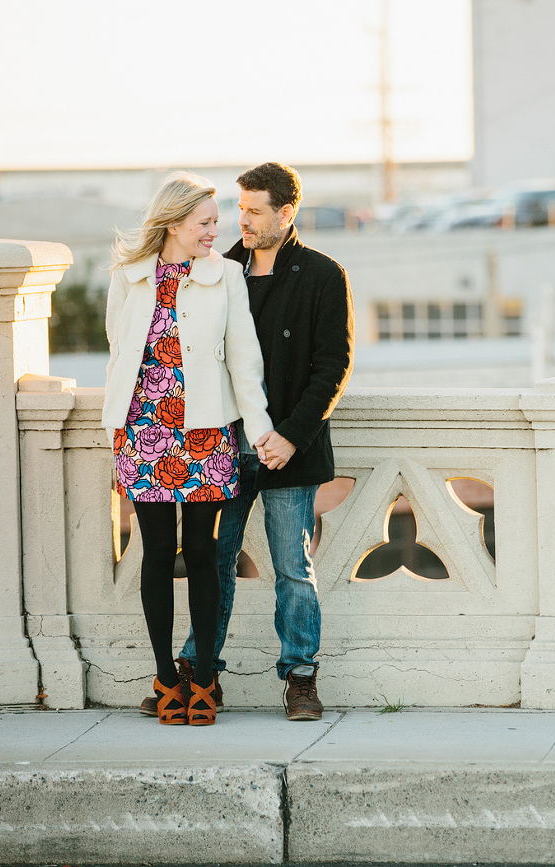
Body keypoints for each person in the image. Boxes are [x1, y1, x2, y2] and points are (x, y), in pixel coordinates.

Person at [141, 161, 354, 721]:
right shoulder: (215, 267)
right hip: (220, 444)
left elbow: (333, 366)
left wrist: (289, 436)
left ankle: (301, 677)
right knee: (212, 558)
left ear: (288, 212)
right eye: (240, 209)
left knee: (292, 566)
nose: (243, 221)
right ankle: (199, 668)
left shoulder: (323, 275)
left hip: (290, 446)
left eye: (255, 211)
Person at [103, 172, 274, 726]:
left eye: (215, 222)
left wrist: (259, 426)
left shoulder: (226, 276)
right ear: (174, 222)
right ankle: (164, 678)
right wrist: (115, 422)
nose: (214, 232)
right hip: (145, 431)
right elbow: (118, 352)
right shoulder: (129, 277)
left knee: (201, 552)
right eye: (204, 223)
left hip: (204, 431)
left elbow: (244, 358)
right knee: (155, 553)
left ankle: (202, 677)